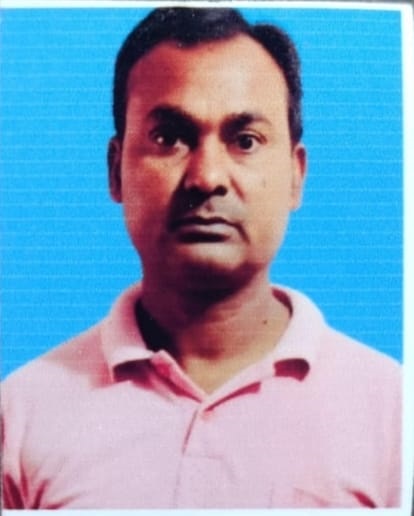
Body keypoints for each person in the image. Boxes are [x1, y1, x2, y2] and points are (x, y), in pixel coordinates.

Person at [1, 7, 401, 509]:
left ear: (296, 175)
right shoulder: (22, 413)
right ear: (116, 171)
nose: (207, 177)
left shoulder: (393, 414)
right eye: (168, 138)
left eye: (245, 141)